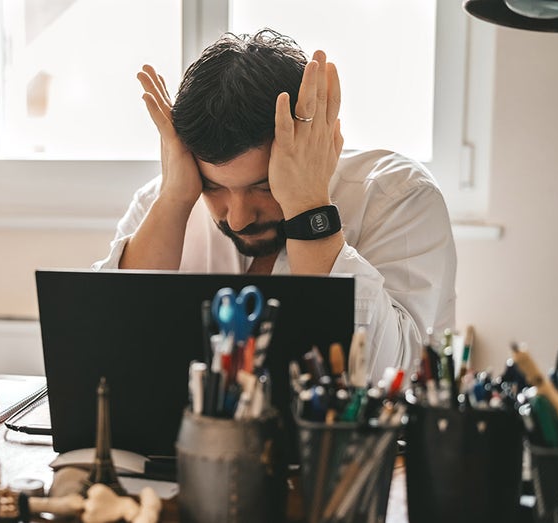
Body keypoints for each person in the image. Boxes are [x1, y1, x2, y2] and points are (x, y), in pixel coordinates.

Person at [93, 30, 456, 379]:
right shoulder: (170, 197)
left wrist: (308, 208)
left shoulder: (398, 196)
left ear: (319, 143)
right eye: (213, 187)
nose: (237, 219)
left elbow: (390, 376)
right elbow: (100, 353)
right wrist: (175, 199)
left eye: (264, 187)